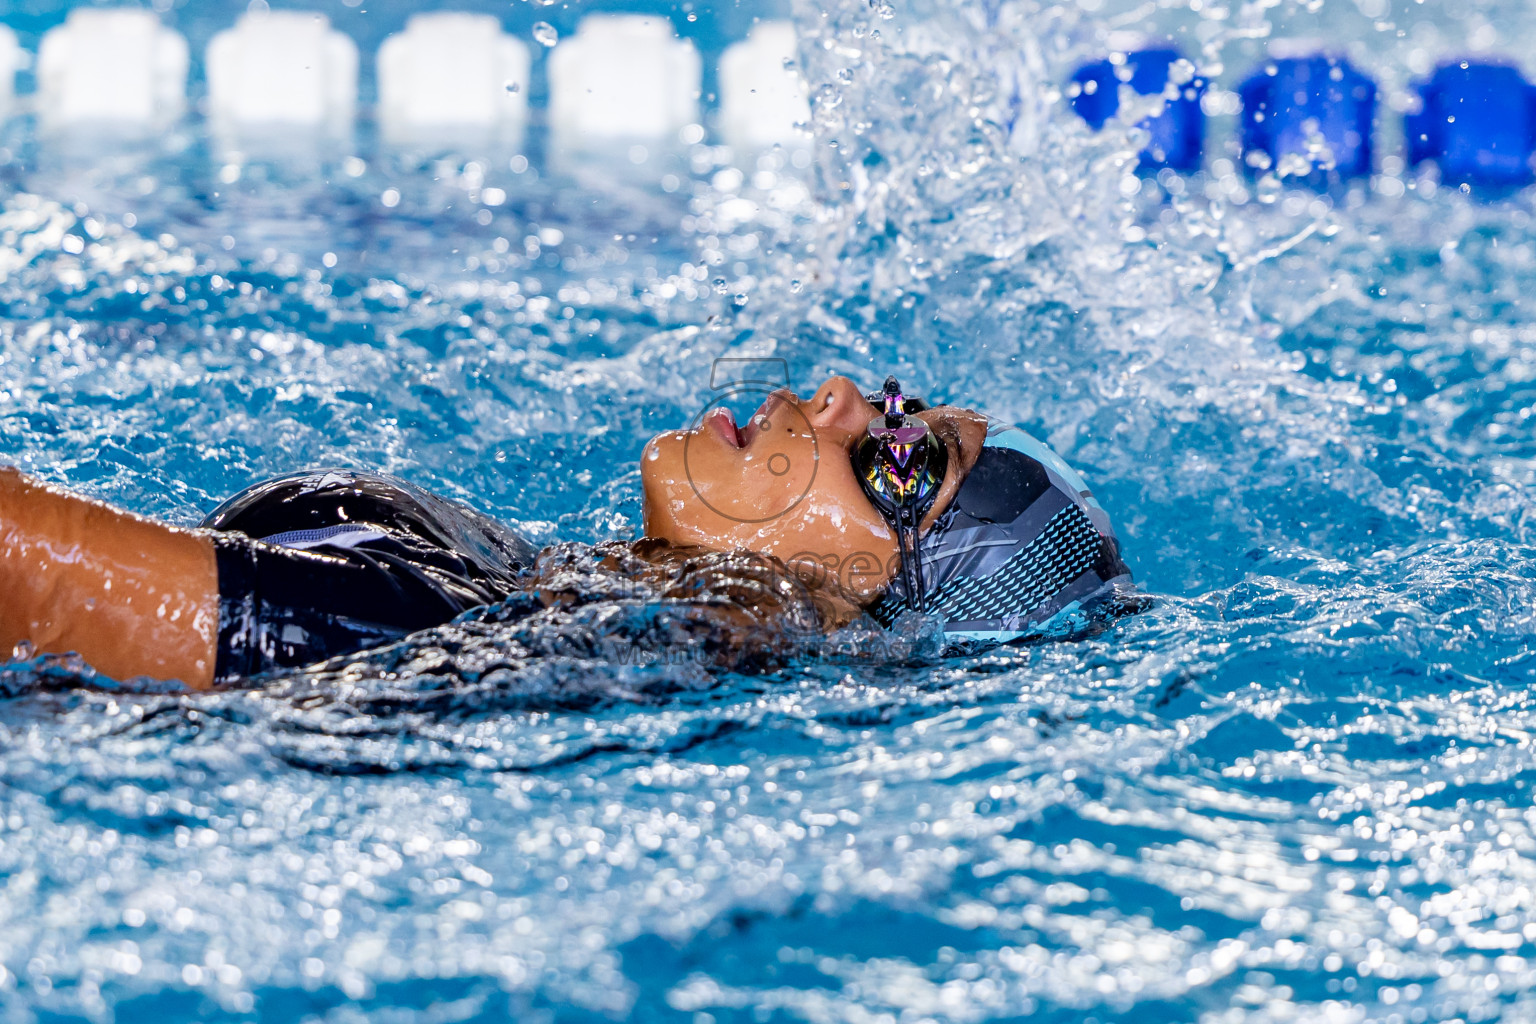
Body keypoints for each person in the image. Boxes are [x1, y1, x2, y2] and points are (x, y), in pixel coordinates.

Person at [0, 374, 1134, 688]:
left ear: (858, 582)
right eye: (896, 402)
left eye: (901, 455)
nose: (841, 395)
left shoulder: (421, 638)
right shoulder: (490, 564)